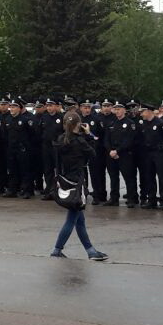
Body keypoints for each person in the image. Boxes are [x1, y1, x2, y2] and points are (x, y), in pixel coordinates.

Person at [50, 111, 107, 260]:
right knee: (72, 218)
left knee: (79, 220)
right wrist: (89, 135)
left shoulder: (61, 139)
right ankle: (57, 250)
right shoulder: (79, 141)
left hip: (65, 180)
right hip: (77, 181)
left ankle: (90, 251)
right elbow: (93, 153)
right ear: (78, 125)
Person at [103, 101, 138, 208]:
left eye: (119, 109)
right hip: (112, 154)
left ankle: (132, 198)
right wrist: (110, 151)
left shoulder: (130, 123)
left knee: (129, 177)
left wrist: (117, 151)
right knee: (113, 177)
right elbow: (106, 139)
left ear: (124, 110)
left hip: (124, 154)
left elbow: (129, 141)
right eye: (116, 109)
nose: (117, 111)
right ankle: (114, 198)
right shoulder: (112, 123)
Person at [138, 103, 163, 210]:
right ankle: (152, 200)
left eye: (143, 111)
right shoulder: (144, 124)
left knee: (162, 177)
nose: (141, 114)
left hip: (159, 153)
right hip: (148, 154)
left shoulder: (160, 123)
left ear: (149, 111)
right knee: (149, 177)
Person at [38, 97, 65, 200]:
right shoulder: (44, 117)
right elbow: (39, 131)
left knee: (59, 170)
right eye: (48, 106)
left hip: (57, 147)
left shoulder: (61, 117)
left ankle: (59, 192)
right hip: (46, 146)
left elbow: (64, 132)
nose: (49, 108)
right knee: (48, 170)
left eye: (51, 105)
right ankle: (49, 190)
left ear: (56, 106)